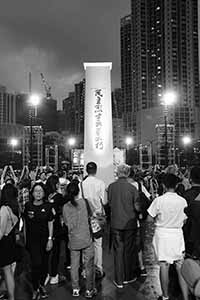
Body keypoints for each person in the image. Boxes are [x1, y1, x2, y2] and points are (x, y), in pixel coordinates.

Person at [147, 174, 188, 300]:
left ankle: (165, 296)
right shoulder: (182, 201)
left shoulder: (159, 200)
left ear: (163, 185)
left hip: (162, 235)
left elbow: (149, 219)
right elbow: (185, 219)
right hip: (177, 234)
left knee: (164, 265)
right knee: (180, 266)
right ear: (176, 185)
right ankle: (185, 297)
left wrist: (159, 221)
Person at [107, 164, 140, 288]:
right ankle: (128, 277)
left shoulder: (111, 187)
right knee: (128, 250)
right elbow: (137, 206)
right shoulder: (132, 188)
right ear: (127, 173)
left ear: (117, 173)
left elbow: (109, 203)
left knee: (118, 251)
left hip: (116, 223)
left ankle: (119, 280)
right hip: (130, 223)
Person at [63, 181, 96, 298]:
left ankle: (75, 289)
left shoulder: (65, 207)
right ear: (78, 191)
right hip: (86, 238)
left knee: (74, 265)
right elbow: (92, 215)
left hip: (73, 240)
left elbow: (66, 223)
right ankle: (89, 290)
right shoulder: (85, 202)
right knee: (89, 265)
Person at [24, 182, 54, 300]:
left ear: (44, 193)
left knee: (44, 264)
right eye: (36, 191)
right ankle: (35, 288)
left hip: (45, 241)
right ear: (32, 192)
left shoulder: (48, 206)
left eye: (40, 191)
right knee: (35, 264)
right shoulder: (28, 206)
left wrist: (50, 239)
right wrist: (25, 240)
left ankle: (41, 285)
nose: (38, 193)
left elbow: (50, 223)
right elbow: (25, 224)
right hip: (32, 242)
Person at [81, 162, 106, 279]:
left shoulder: (81, 184)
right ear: (96, 171)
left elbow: (80, 201)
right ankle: (99, 268)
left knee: (86, 243)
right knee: (98, 243)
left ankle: (86, 270)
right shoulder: (100, 183)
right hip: (97, 216)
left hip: (85, 217)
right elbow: (104, 202)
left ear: (86, 170)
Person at [45, 175, 68, 284]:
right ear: (55, 184)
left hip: (45, 227)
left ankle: (46, 274)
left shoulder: (45, 196)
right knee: (56, 252)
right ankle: (54, 275)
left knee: (46, 252)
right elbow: (65, 208)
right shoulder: (58, 197)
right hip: (56, 227)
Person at [0, 183, 19, 300]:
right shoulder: (16, 207)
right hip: (11, 241)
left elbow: (0, 232)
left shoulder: (4, 209)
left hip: (3, 243)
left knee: (6, 272)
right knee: (8, 272)